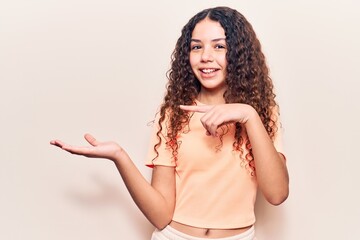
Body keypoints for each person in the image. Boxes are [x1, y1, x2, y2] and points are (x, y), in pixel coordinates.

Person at [50, 6, 289, 240]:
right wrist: (119, 156)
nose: (206, 56)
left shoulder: (259, 115)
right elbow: (161, 215)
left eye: (219, 46)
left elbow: (277, 194)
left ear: (239, 53)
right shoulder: (173, 116)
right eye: (196, 47)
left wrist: (248, 115)